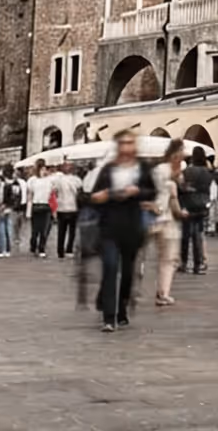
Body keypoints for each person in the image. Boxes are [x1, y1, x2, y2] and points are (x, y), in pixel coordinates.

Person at [87, 132, 155, 332]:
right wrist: (101, 196)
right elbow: (95, 195)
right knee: (110, 268)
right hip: (110, 226)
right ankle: (109, 317)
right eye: (122, 143)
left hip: (132, 227)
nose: (126, 147)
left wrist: (137, 192)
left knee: (127, 274)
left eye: (129, 143)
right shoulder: (109, 169)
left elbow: (152, 191)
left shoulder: (142, 168)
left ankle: (122, 308)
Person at [148, 140, 185, 307]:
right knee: (167, 258)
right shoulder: (164, 171)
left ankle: (163, 292)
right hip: (159, 216)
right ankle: (161, 292)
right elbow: (169, 194)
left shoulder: (174, 170)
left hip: (162, 217)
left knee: (168, 257)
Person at [178, 149, 212, 275]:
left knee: (186, 235)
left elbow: (181, 186)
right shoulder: (207, 172)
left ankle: (184, 263)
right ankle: (198, 264)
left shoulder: (187, 171)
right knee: (198, 235)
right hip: (202, 204)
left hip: (188, 204)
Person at [53, 163, 83, 258]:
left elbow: (54, 191)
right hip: (73, 207)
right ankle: (69, 249)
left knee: (61, 231)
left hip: (61, 207)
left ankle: (60, 251)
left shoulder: (58, 181)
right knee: (72, 230)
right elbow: (80, 192)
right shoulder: (77, 180)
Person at [25, 162, 55, 257]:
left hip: (46, 206)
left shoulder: (50, 180)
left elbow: (54, 193)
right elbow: (29, 195)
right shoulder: (32, 180)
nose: (44, 171)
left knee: (44, 229)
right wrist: (28, 210)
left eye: (45, 169)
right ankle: (33, 246)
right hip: (36, 205)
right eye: (42, 169)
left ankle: (42, 248)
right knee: (35, 230)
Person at [0, 167, 22, 258]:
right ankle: (3, 249)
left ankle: (5, 249)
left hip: (6, 209)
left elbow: (12, 199)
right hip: (1, 210)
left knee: (5, 230)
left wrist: (4, 205)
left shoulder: (7, 186)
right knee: (2, 230)